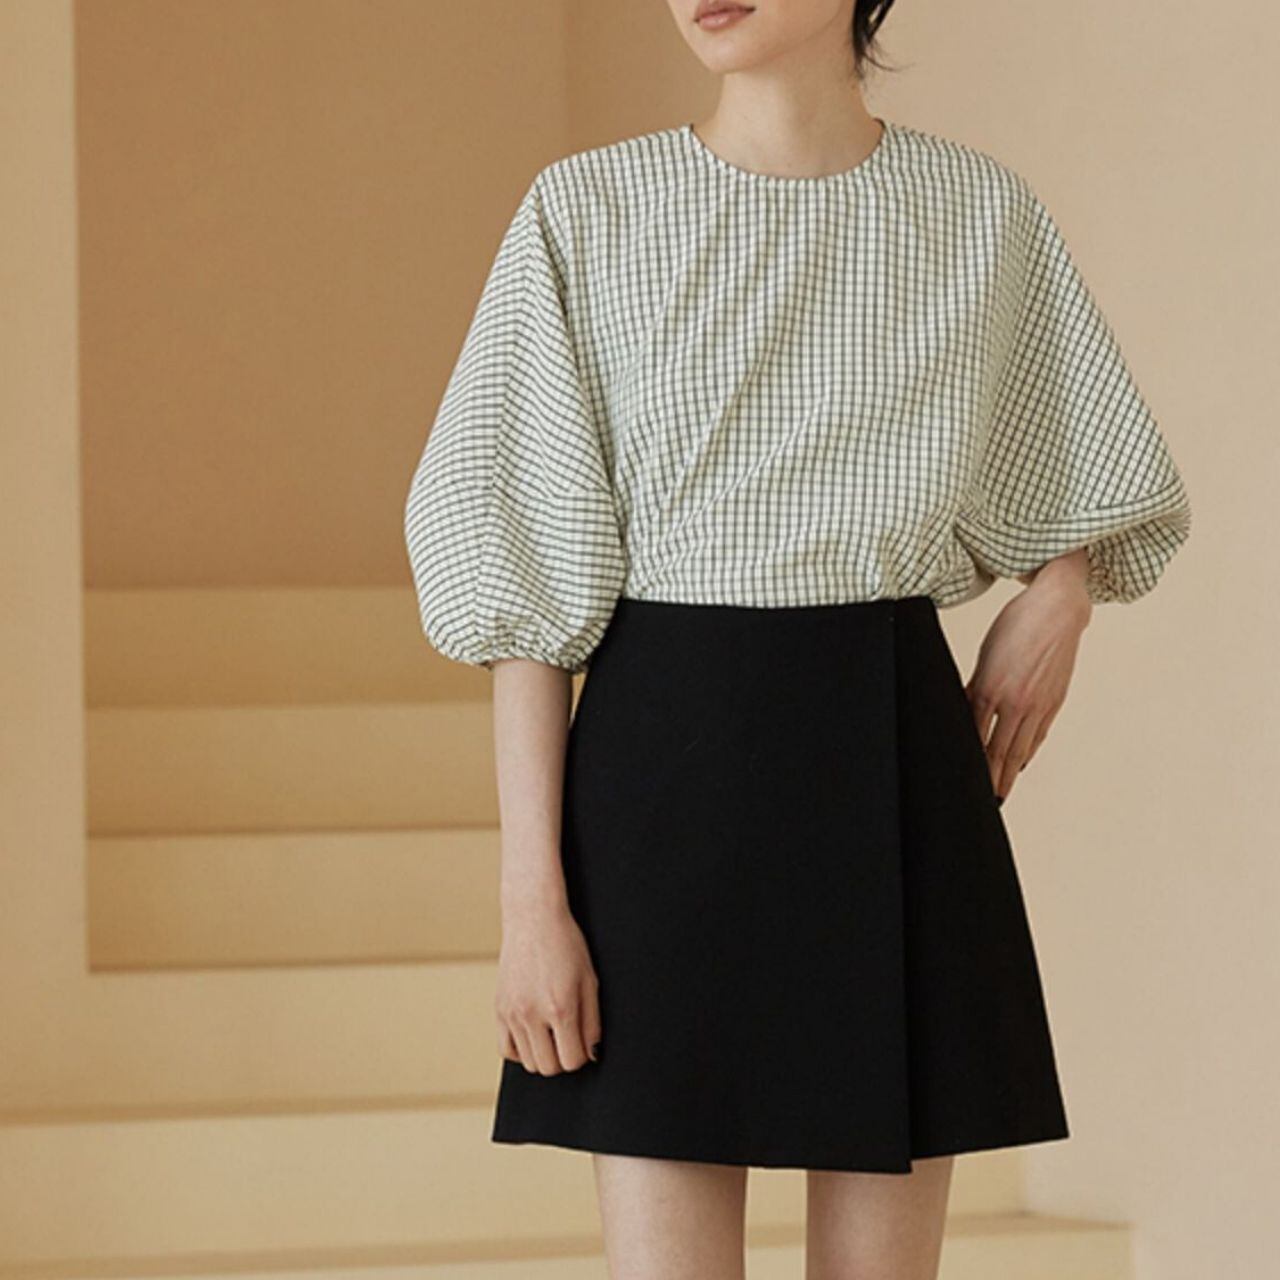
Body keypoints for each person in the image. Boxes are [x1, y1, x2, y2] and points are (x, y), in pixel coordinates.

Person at [402, 2, 1193, 1276]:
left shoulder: (974, 213)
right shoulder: (588, 210)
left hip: (893, 768)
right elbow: (526, 586)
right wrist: (530, 904)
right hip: (659, 782)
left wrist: (1062, 588)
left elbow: (1085, 459)